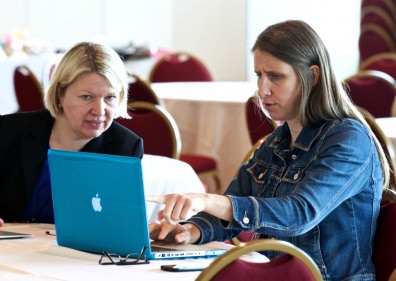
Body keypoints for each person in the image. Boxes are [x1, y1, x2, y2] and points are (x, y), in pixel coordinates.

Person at [148, 20, 391, 281]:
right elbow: (231, 211)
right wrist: (190, 231)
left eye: (275, 76)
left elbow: (299, 213)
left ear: (313, 76)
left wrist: (208, 199)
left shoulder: (349, 139)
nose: (262, 90)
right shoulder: (278, 140)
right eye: (259, 75)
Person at [0, 42, 144, 228]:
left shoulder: (124, 147)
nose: (99, 110)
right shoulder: (10, 131)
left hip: (75, 259)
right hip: (3, 253)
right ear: (60, 93)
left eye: (110, 98)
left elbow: (121, 224)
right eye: (86, 97)